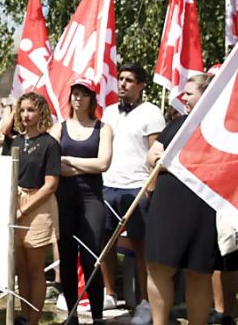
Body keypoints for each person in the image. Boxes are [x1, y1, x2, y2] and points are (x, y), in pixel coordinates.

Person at [144, 74, 219, 325]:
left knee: (198, 272)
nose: (183, 97)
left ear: (206, 95)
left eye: (189, 93)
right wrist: (159, 159)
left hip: (202, 206)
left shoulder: (221, 128)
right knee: (158, 267)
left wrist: (171, 162)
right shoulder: (177, 124)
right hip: (167, 205)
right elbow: (152, 157)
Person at [100, 63, 165, 322]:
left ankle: (145, 302)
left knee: (141, 246)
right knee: (104, 242)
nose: (123, 84)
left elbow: (156, 153)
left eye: (129, 80)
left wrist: (152, 185)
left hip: (138, 187)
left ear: (141, 85)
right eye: (121, 79)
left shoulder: (152, 113)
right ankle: (109, 293)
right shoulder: (108, 112)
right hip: (108, 184)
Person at [50, 78, 113, 325]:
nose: (78, 98)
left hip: (91, 198)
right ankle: (72, 315)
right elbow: (54, 163)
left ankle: (97, 316)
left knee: (90, 257)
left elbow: (103, 163)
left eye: (83, 94)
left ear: (91, 99)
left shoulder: (102, 128)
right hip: (64, 197)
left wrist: (70, 161)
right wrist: (82, 166)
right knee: (66, 256)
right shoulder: (60, 127)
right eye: (74, 93)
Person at [11, 92, 61, 325]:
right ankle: (23, 315)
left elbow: (50, 185)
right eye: (22, 110)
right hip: (17, 199)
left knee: (34, 267)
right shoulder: (17, 141)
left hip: (39, 204)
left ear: (40, 112)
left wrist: (24, 209)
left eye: (31, 109)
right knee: (20, 266)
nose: (26, 115)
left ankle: (34, 320)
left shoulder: (49, 143)